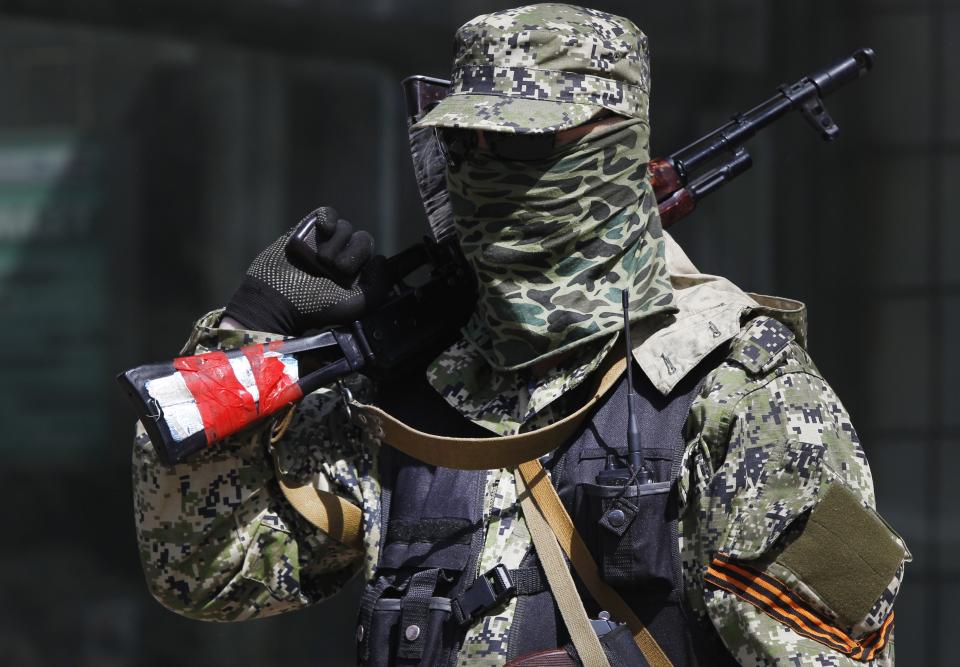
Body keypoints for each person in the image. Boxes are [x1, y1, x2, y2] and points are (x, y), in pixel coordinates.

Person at [132, 4, 908, 665]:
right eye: (470, 146)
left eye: (530, 146)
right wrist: (249, 331)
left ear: (615, 150)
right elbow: (206, 572)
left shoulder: (740, 386)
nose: (491, 172)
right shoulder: (411, 389)